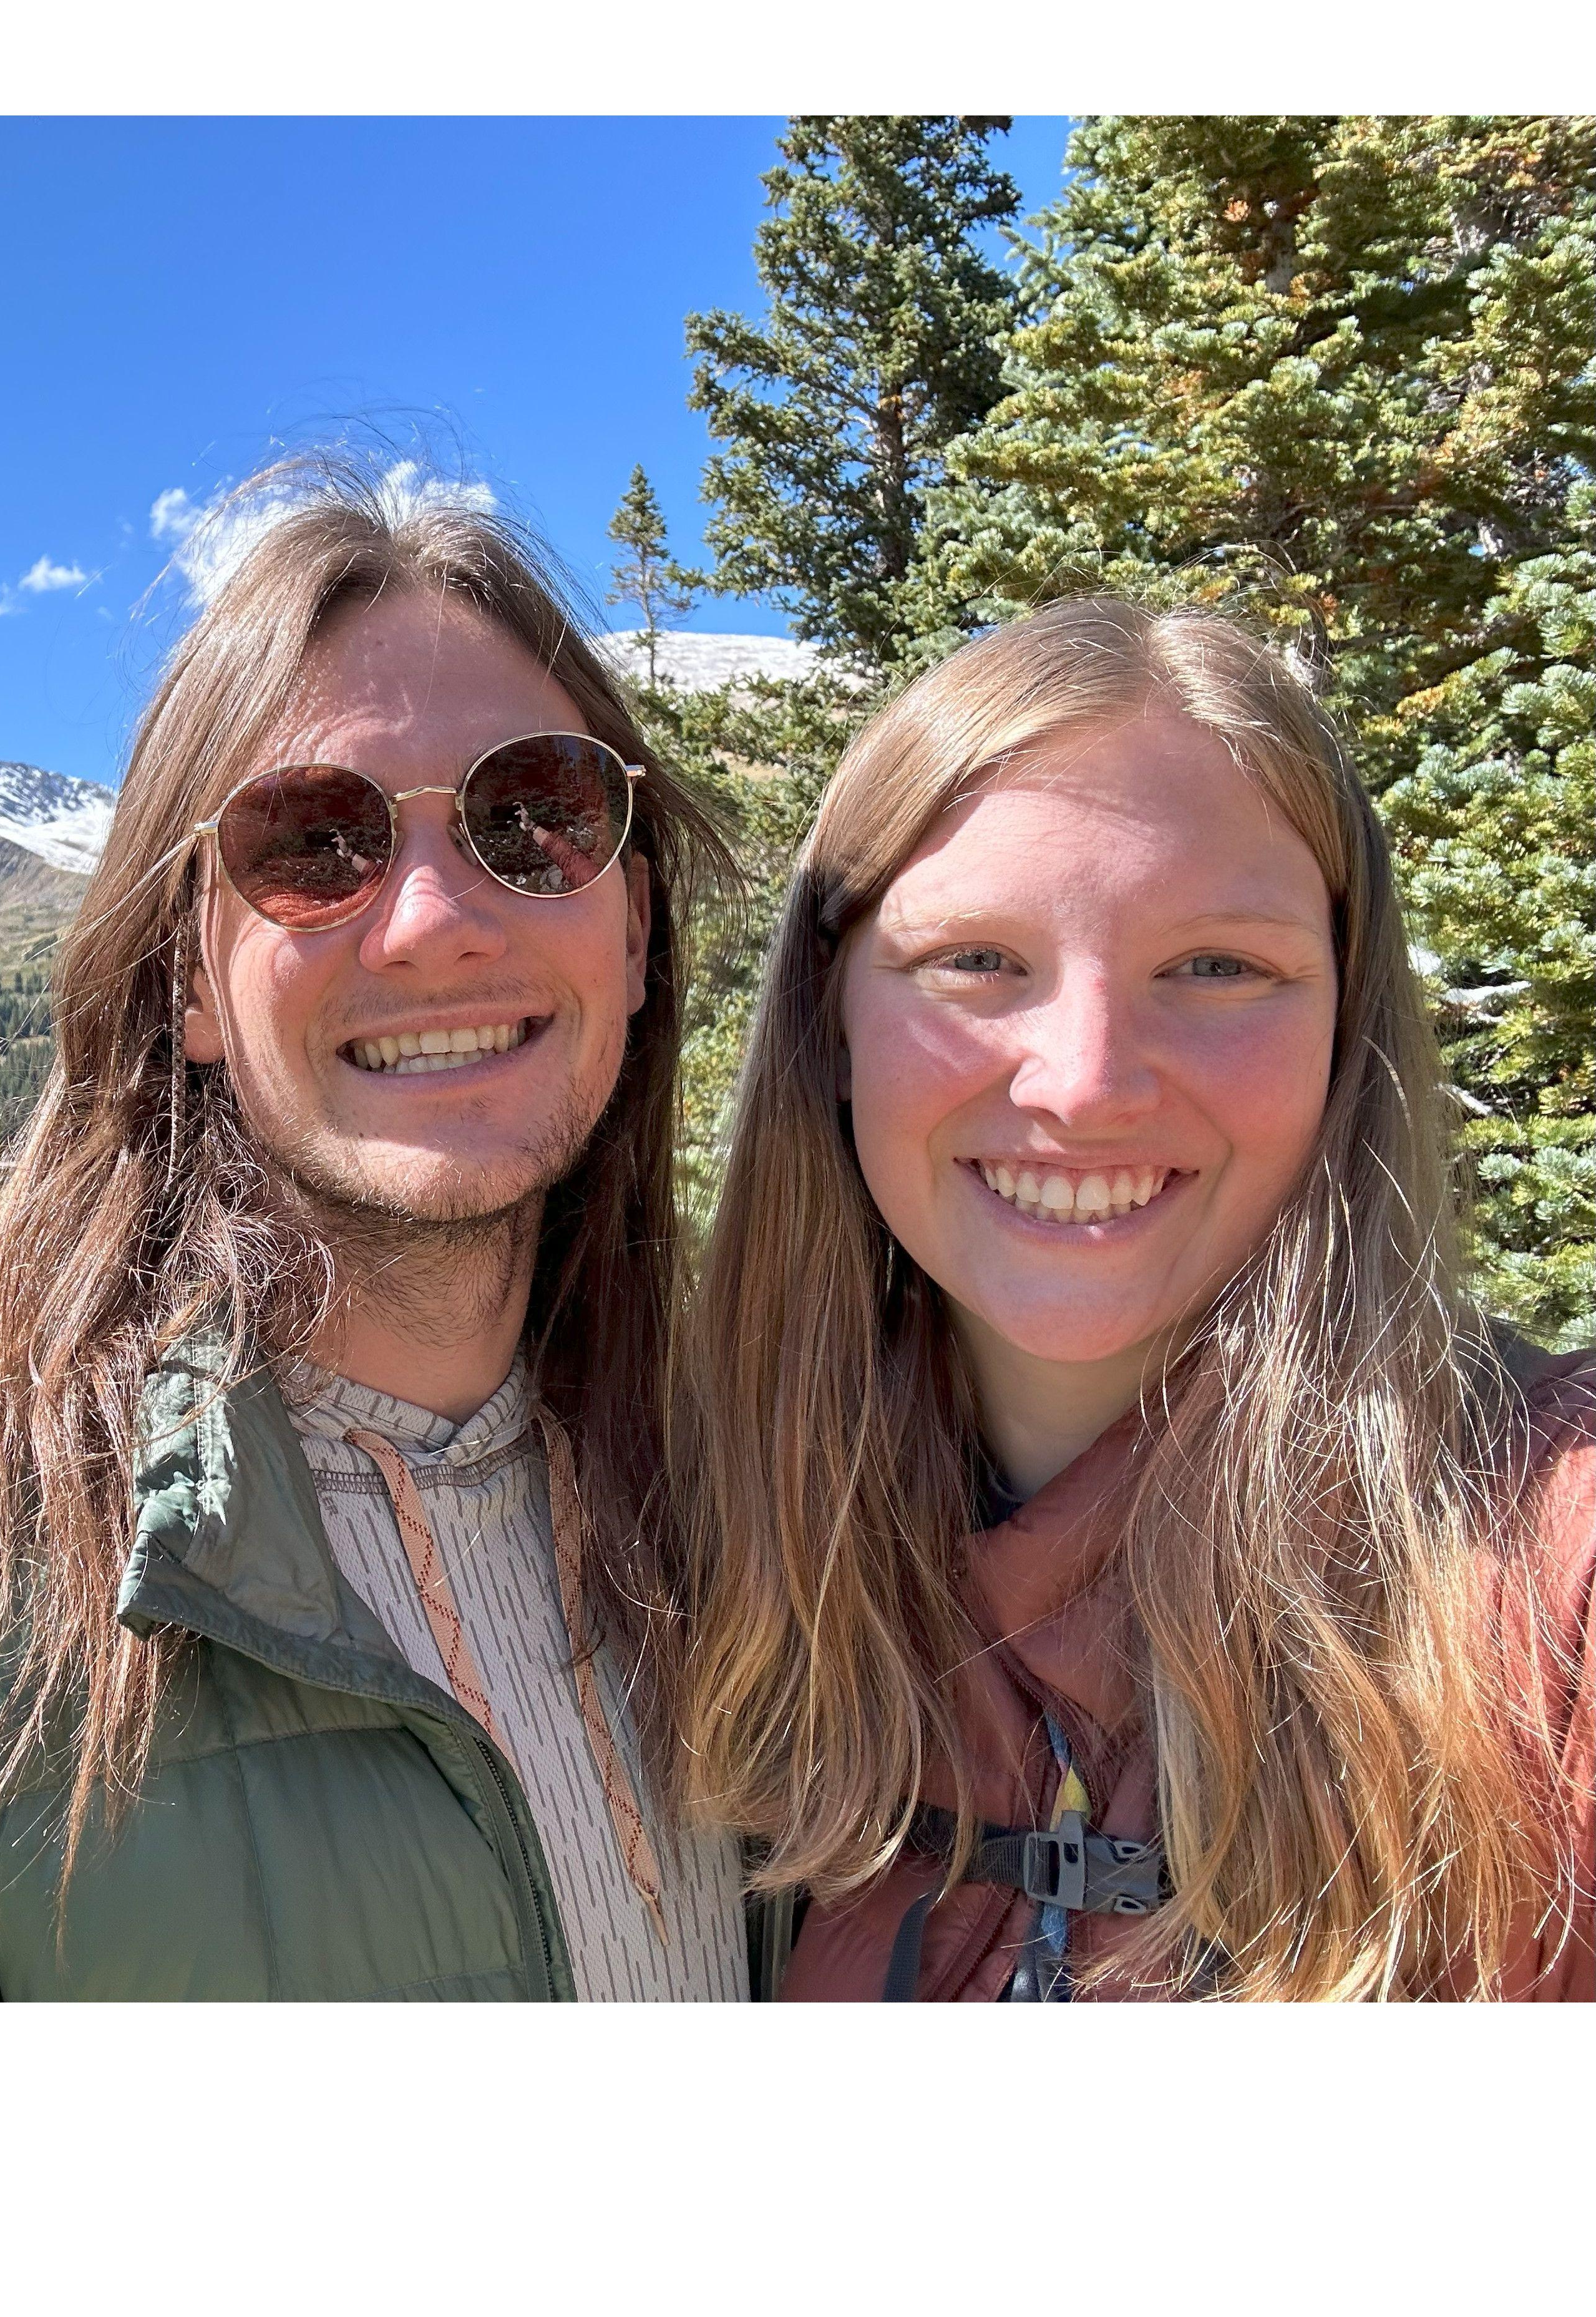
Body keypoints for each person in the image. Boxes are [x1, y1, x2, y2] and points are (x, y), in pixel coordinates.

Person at [0, 456, 753, 2000]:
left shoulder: (757, 1517)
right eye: (312, 843)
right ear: (184, 987)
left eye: (537, 816)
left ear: (634, 931)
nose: (438, 918)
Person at [678, 596, 1596, 2002]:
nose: (1087, 1080)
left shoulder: (1548, 1566)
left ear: (1345, 1024)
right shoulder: (678, 1554)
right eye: (978, 962)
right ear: (830, 1012)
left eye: (1219, 967)